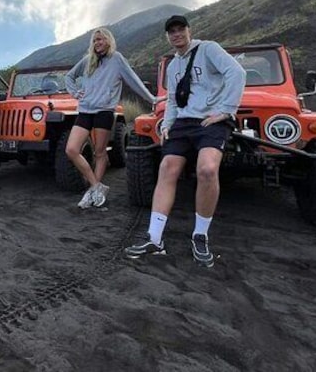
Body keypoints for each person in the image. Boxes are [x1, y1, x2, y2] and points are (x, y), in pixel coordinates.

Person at [124, 15, 246, 267]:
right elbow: (171, 100)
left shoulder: (208, 49)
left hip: (211, 121)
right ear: (167, 36)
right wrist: (167, 124)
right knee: (167, 167)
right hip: (183, 121)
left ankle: (200, 235)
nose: (176, 34)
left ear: (189, 31)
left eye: (181, 29)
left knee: (208, 169)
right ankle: (154, 238)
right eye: (172, 31)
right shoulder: (172, 66)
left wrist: (226, 110)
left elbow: (237, 72)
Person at [65, 27, 157, 209]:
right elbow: (69, 76)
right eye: (95, 40)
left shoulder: (117, 59)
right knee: (71, 149)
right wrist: (75, 93)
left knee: (100, 152)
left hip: (104, 111)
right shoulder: (87, 60)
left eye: (101, 39)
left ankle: (92, 194)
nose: (98, 43)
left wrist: (152, 99)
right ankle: (96, 187)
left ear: (108, 40)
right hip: (85, 110)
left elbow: (133, 80)